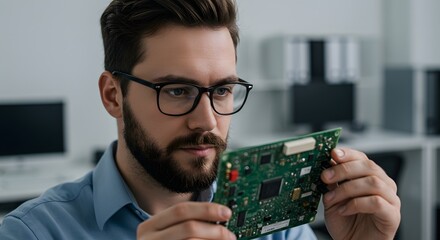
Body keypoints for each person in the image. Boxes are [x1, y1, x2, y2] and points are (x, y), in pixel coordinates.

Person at [0, 0, 401, 239]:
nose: (207, 121)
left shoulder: (276, 222)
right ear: (112, 96)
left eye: (222, 90)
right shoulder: (32, 232)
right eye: (177, 91)